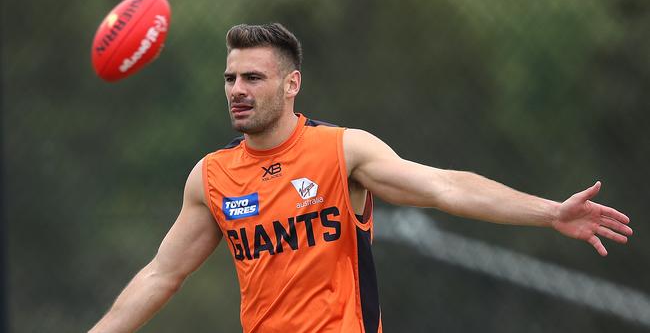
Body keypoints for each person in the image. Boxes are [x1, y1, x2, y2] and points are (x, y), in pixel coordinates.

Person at [89, 23, 633, 333]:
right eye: (230, 78)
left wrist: (550, 211)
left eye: (254, 77)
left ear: (292, 84)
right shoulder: (212, 176)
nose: (237, 89)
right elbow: (162, 274)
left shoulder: (340, 151)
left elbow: (445, 186)